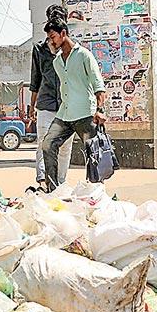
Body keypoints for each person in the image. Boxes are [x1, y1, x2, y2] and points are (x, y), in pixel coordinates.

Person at [40, 16, 108, 191]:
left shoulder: (84, 55)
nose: (51, 41)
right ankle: (52, 190)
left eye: (53, 37)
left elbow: (98, 85)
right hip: (65, 114)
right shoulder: (56, 62)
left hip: (86, 114)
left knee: (93, 153)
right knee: (48, 145)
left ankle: (95, 192)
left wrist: (100, 110)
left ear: (63, 34)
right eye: (49, 38)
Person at [30, 5, 73, 190]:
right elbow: (35, 79)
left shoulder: (74, 50)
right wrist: (32, 106)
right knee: (44, 144)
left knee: (64, 147)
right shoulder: (39, 49)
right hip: (46, 104)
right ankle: (44, 180)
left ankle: (59, 184)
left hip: (68, 106)